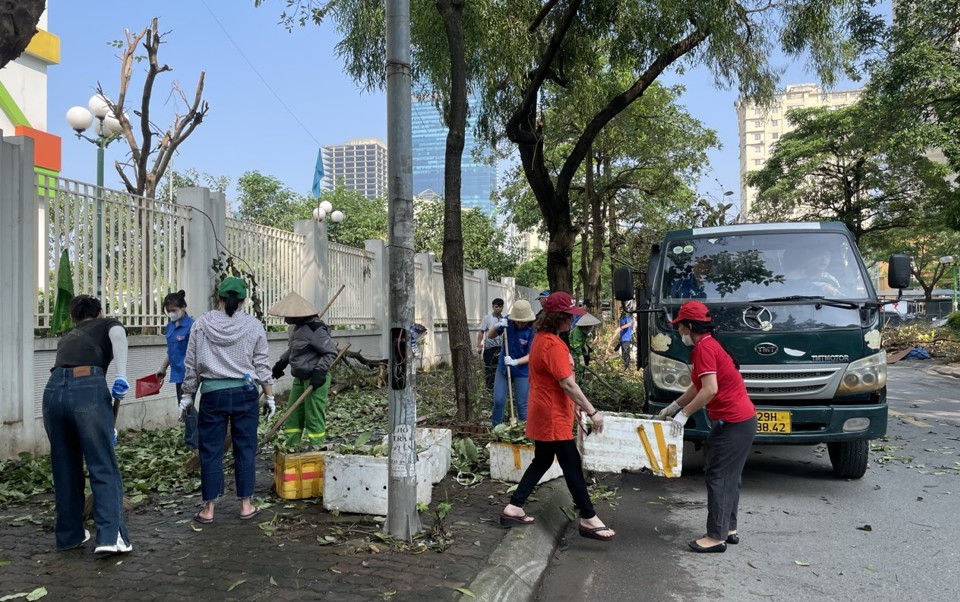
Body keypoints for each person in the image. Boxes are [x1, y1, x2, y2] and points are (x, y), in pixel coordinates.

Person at [499, 292, 615, 541]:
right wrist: (593, 411)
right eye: (569, 317)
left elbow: (560, 382)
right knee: (571, 463)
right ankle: (588, 517)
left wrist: (576, 405)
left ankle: (514, 507)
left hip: (543, 410)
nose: (571, 321)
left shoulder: (542, 339)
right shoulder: (553, 345)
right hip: (552, 415)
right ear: (559, 318)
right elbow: (568, 384)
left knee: (542, 460)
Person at [657, 300, 757, 553]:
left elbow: (710, 390)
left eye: (680, 327)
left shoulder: (703, 348)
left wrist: (684, 415)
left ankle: (715, 537)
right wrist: (674, 406)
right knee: (729, 476)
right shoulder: (709, 344)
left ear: (689, 326)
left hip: (733, 422)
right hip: (741, 421)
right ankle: (728, 529)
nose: (679, 332)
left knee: (718, 476)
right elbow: (699, 385)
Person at [43, 294, 133, 554]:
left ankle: (69, 535)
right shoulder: (108, 324)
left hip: (52, 393)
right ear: (101, 312)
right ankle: (110, 537)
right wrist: (122, 375)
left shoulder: (67, 337)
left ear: (74, 318)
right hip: (88, 389)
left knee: (65, 467)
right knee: (102, 463)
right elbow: (118, 334)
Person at [181, 277, 274, 524]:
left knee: (210, 450)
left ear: (218, 297)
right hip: (246, 394)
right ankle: (245, 505)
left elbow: (191, 364)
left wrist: (187, 395)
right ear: (243, 301)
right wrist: (270, 396)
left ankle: (208, 509)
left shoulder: (201, 324)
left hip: (212, 394)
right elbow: (262, 364)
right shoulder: (254, 326)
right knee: (246, 448)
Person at [269, 291, 339, 449]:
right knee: (292, 416)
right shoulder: (295, 329)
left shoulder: (316, 329)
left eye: (289, 315)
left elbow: (330, 352)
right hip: (299, 379)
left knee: (313, 417)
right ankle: (291, 447)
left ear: (298, 314)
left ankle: (317, 448)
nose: (286, 319)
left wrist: (320, 372)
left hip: (314, 378)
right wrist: (281, 363)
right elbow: (293, 350)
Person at [156, 290, 198, 448]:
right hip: (177, 373)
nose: (171, 314)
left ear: (183, 307)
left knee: (186, 406)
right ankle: (195, 437)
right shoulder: (170, 327)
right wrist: (163, 367)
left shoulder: (193, 326)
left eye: (174, 310)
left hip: (190, 373)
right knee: (186, 406)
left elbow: (197, 352)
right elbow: (171, 350)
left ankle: (193, 441)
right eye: (168, 311)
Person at [487, 299, 536, 427]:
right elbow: (489, 336)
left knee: (522, 403)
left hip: (522, 371)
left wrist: (515, 362)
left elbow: (532, 355)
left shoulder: (532, 330)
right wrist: (497, 326)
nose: (520, 324)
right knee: (498, 400)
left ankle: (525, 433)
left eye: (523, 321)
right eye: (517, 321)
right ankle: (496, 430)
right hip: (503, 368)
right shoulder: (507, 321)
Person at [476, 298, 505, 391]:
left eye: (500, 307)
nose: (498, 309)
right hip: (489, 348)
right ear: (493, 307)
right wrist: (479, 344)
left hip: (500, 348)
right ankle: (489, 388)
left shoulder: (504, 319)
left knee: (499, 368)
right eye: (496, 307)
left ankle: (498, 387)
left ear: (502, 307)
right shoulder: (487, 318)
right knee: (489, 368)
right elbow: (481, 331)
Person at [569, 312, 600, 381]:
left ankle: (581, 381)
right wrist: (580, 356)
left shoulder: (583, 332)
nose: (591, 328)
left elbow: (582, 343)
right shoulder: (577, 331)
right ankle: (578, 383)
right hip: (575, 352)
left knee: (582, 368)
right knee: (578, 369)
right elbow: (576, 345)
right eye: (590, 326)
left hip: (580, 350)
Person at [616, 303, 635, 369]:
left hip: (626, 338)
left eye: (622, 310)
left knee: (626, 354)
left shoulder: (627, 317)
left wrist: (621, 328)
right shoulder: (621, 318)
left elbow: (629, 324)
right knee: (623, 354)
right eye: (620, 310)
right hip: (622, 338)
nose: (621, 311)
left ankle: (628, 367)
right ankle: (626, 366)